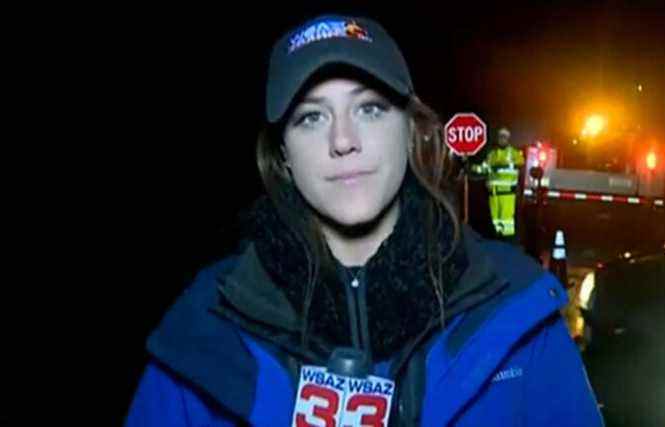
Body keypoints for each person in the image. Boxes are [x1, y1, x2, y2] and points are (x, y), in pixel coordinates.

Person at [125, 14, 603, 427]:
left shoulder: (513, 308)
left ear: (411, 130)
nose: (343, 140)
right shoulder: (204, 328)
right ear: (283, 154)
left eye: (370, 108)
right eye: (311, 117)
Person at [472, 127, 525, 238]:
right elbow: (484, 168)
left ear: (508, 139)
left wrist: (505, 165)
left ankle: (508, 240)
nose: (502, 139)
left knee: (506, 219)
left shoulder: (513, 153)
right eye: (500, 137)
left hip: (507, 193)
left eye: (504, 137)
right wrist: (471, 167)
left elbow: (520, 163)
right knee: (495, 219)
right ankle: (497, 237)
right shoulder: (492, 154)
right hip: (493, 193)